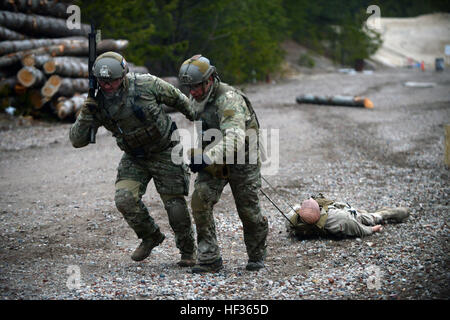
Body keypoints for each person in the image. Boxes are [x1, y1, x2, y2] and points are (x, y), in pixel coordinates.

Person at [69, 51, 197, 267]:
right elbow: (77, 140)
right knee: (125, 200)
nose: (107, 85)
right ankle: (150, 236)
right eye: (103, 81)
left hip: (165, 150)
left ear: (123, 75)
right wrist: (86, 114)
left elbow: (178, 99)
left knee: (174, 204)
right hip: (134, 157)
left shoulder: (147, 85)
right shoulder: (95, 102)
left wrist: (202, 118)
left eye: (112, 80)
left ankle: (187, 250)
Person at [177, 54, 269, 272]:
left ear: (210, 80)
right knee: (200, 200)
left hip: (242, 158)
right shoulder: (197, 97)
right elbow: (192, 114)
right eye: (189, 88)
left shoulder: (229, 99)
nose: (193, 92)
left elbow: (235, 138)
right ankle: (209, 258)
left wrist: (205, 157)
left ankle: (257, 254)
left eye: (197, 87)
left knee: (248, 210)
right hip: (215, 156)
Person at [285, 193, 410, 239]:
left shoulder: (291, 220)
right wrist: (373, 229)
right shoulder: (339, 218)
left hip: (343, 214)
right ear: (320, 209)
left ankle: (380, 212)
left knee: (363, 214)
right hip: (351, 214)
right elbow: (360, 229)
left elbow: (293, 210)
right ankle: (388, 213)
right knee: (371, 218)